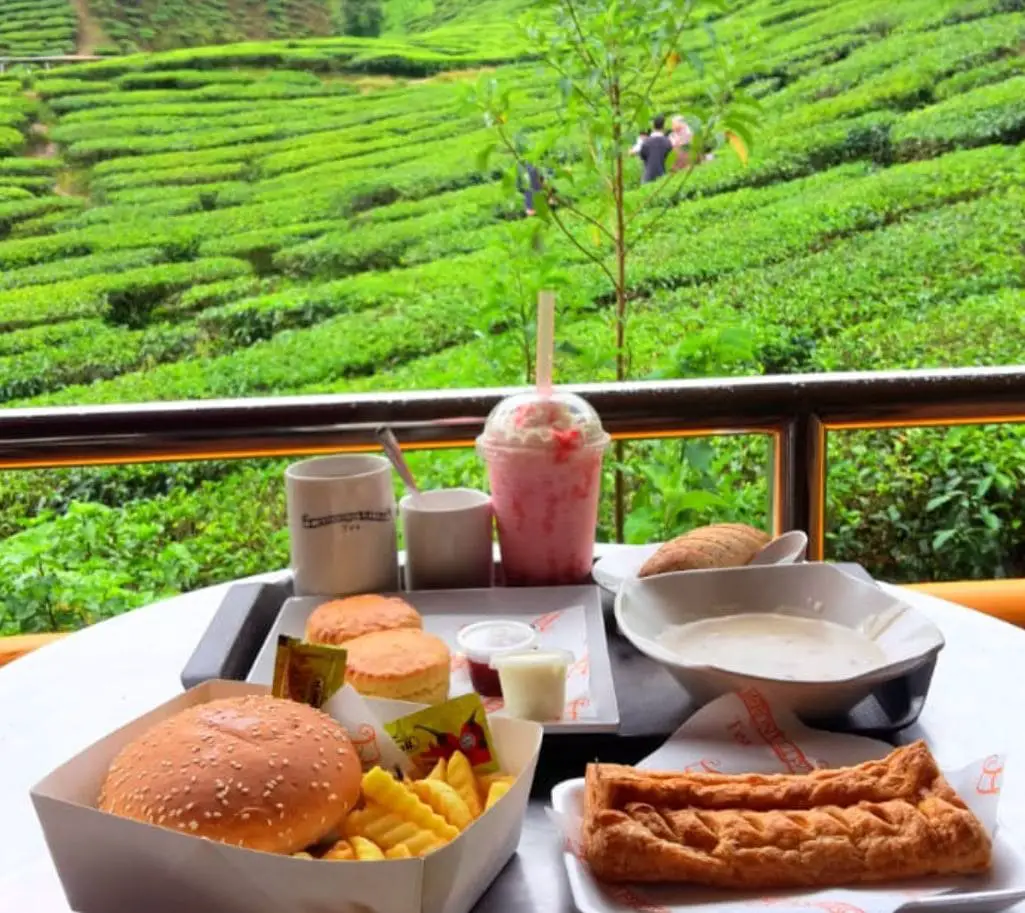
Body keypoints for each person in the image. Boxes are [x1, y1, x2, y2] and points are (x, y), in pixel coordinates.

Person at [638, 115, 673, 184]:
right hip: (662, 176)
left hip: (647, 175)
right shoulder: (667, 142)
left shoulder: (646, 142)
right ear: (664, 126)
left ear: (653, 126)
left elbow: (642, 156)